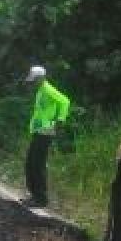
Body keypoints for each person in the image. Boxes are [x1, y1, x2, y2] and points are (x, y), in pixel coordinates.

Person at [22, 65, 71, 208]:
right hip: (39, 130)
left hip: (47, 130)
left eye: (34, 80)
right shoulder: (40, 91)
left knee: (37, 164)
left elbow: (65, 101)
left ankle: (41, 199)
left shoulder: (48, 89)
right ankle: (34, 195)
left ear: (41, 78)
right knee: (30, 163)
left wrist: (60, 120)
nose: (32, 83)